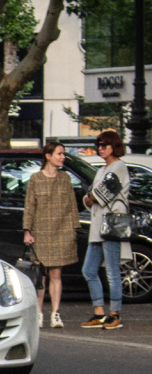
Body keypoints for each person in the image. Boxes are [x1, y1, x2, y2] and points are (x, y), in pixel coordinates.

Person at [23, 141, 78, 329]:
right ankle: (38, 313)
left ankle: (55, 313)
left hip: (61, 231)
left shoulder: (66, 178)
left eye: (63, 154)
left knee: (56, 273)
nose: (63, 157)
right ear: (48, 156)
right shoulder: (35, 179)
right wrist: (27, 231)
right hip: (40, 231)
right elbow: (29, 207)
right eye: (59, 153)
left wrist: (73, 229)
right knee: (40, 276)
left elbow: (72, 206)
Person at [80, 130, 130, 330]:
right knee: (89, 270)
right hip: (98, 226)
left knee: (111, 271)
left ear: (114, 146)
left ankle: (115, 314)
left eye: (104, 145)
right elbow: (88, 198)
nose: (100, 148)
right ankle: (99, 313)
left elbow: (100, 194)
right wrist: (92, 196)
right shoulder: (102, 169)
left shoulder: (119, 166)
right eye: (98, 145)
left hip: (111, 224)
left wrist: (92, 196)